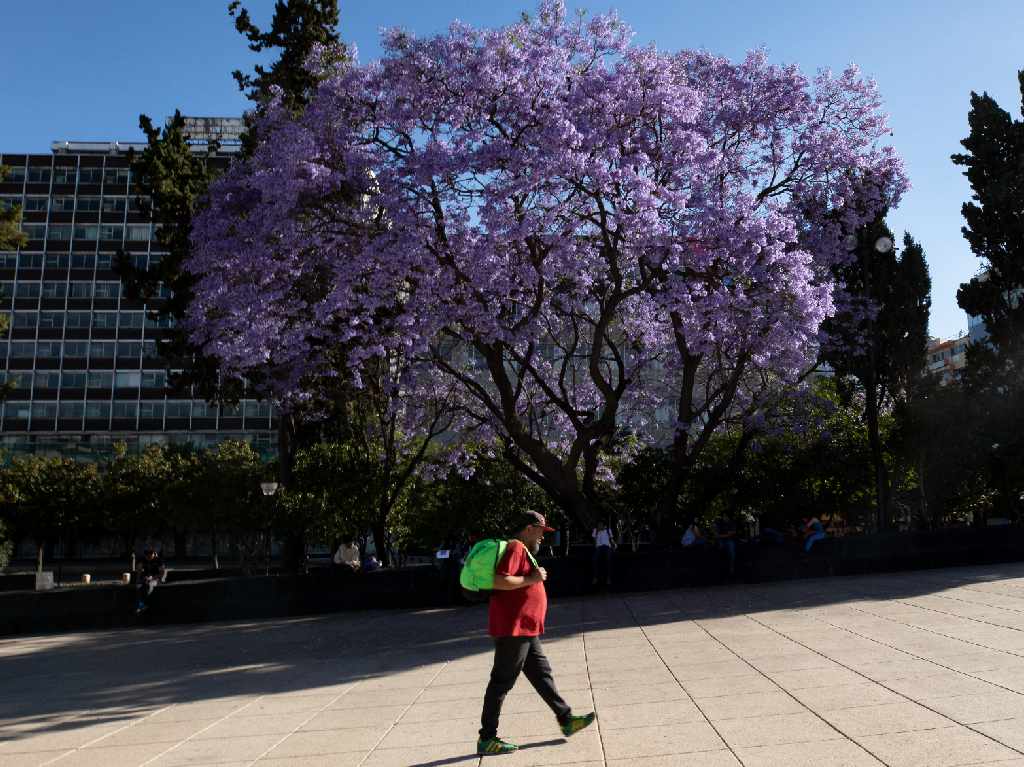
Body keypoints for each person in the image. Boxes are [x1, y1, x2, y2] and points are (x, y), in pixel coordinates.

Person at [477, 511, 595, 755]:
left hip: (525, 629)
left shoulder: (522, 549)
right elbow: (500, 581)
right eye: (541, 531)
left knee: (542, 675)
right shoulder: (515, 547)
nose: (543, 536)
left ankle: (566, 719)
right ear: (529, 528)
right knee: (501, 682)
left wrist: (532, 578)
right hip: (514, 628)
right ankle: (487, 738)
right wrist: (532, 578)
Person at [135, 548, 166, 615]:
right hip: (146, 578)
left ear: (153, 554)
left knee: (148, 586)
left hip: (156, 578)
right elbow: (139, 570)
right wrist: (138, 580)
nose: (148, 557)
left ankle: (143, 606)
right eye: (147, 556)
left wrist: (153, 578)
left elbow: (162, 573)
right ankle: (142, 606)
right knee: (139, 587)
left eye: (150, 556)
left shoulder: (159, 560)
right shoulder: (143, 559)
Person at [591, 521, 616, 585]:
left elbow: (611, 539)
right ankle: (595, 577)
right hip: (599, 547)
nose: (600, 526)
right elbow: (594, 542)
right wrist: (597, 532)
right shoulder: (595, 530)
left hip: (607, 546)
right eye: (598, 524)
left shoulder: (608, 530)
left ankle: (608, 578)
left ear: (603, 525)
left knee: (608, 559)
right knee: (594, 559)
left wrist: (614, 544)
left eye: (601, 524)